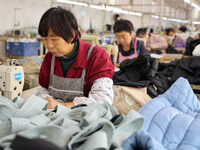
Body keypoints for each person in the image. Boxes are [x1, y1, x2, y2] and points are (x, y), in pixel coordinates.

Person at [36, 7, 114, 109]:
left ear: (71, 35)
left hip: (86, 117)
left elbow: (102, 100)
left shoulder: (97, 56)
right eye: (45, 39)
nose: (49, 45)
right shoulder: (50, 58)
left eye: (54, 39)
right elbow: (43, 89)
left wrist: (63, 106)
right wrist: (46, 99)